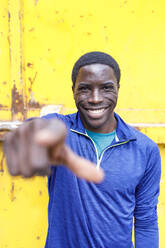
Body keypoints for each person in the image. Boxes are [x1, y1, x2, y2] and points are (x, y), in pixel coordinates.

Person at [3, 52, 161, 248]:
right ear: (73, 91)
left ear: (118, 89)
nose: (95, 99)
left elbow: (146, 221)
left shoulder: (145, 150)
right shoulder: (60, 129)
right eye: (85, 89)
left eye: (106, 88)